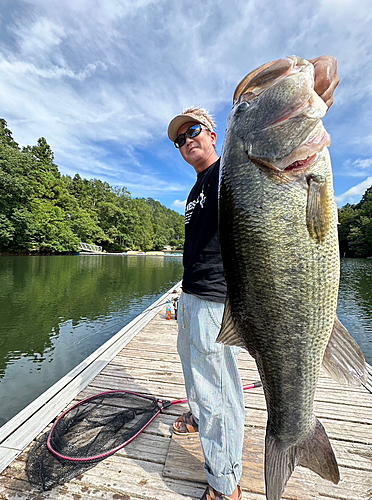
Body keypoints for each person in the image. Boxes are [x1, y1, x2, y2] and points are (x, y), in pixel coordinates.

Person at [167, 56, 339, 500]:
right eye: (178, 140)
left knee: (218, 393)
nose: (186, 141)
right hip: (191, 299)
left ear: (212, 134)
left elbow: (282, 145)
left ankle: (224, 484)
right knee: (200, 383)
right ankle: (204, 419)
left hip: (217, 300)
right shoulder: (200, 185)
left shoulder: (231, 169)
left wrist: (313, 95)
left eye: (192, 131)